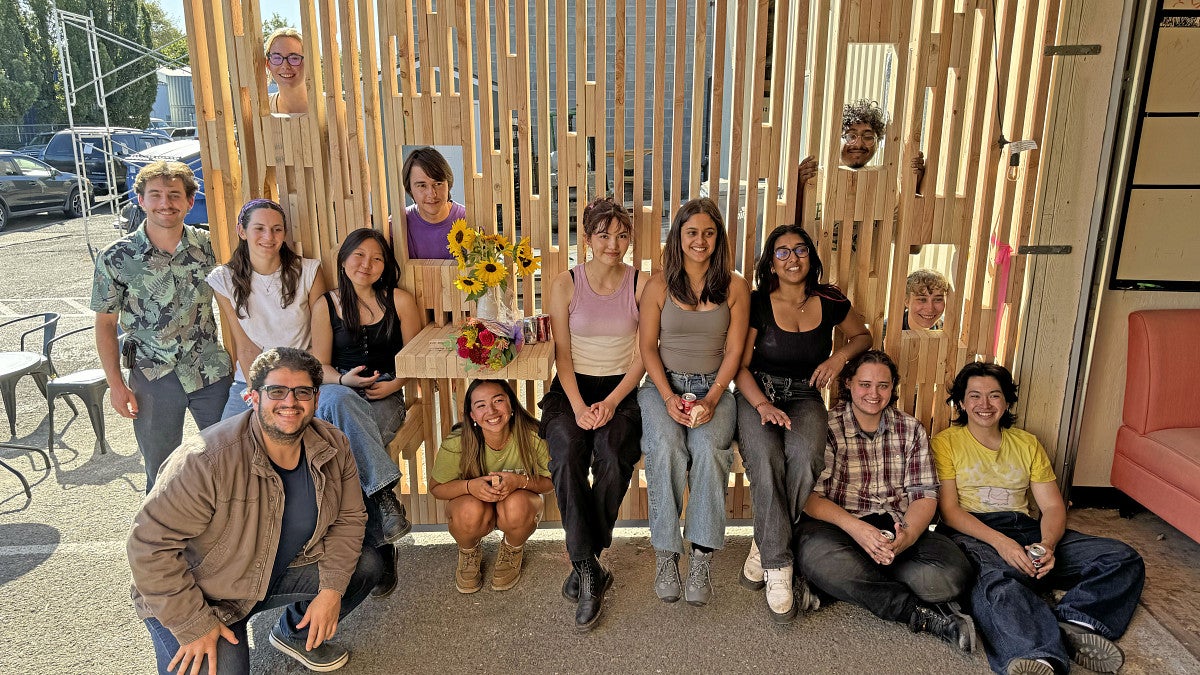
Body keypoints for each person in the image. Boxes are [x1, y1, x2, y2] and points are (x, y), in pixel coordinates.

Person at [128, 347, 381, 674]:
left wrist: (331, 591)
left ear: (316, 400)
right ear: (252, 397)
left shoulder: (333, 444)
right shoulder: (205, 459)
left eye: (302, 392)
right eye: (276, 391)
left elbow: (348, 520)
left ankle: (294, 632)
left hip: (268, 575)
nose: (290, 402)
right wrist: (193, 623)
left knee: (366, 564)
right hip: (202, 594)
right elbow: (148, 547)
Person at [932, 362, 1145, 675]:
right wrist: (1002, 544)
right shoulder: (945, 443)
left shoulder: (1027, 443)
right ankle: (1041, 657)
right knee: (998, 584)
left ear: (1006, 402)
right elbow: (950, 512)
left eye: (994, 396)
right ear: (961, 403)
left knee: (1122, 559)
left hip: (1024, 528)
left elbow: (1054, 507)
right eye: (974, 396)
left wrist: (1048, 544)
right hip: (973, 532)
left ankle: (1074, 622)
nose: (985, 405)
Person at [733, 224, 871, 621]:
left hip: (805, 394)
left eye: (800, 250)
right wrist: (761, 405)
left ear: (811, 257)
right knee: (765, 459)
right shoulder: (759, 302)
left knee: (807, 457)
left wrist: (837, 358)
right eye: (782, 252)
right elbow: (739, 367)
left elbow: (863, 336)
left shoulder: (830, 300)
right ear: (771, 263)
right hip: (757, 390)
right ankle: (778, 563)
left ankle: (765, 539)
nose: (792, 258)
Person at [796, 350, 976, 652]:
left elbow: (923, 494)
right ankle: (918, 614)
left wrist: (908, 537)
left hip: (895, 524)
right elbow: (809, 498)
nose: (874, 393)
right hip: (839, 524)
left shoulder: (911, 429)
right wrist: (858, 530)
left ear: (893, 388)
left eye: (883, 385)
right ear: (849, 384)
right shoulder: (826, 426)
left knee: (954, 574)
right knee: (819, 559)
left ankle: (837, 587)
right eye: (865, 384)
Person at [540, 197, 648, 630]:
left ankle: (585, 561)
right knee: (566, 452)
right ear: (586, 239)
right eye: (603, 235)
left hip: (621, 388)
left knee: (614, 452)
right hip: (572, 389)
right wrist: (582, 407)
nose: (613, 243)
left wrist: (613, 401)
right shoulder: (566, 283)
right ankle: (589, 568)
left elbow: (644, 353)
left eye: (622, 235)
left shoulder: (641, 283)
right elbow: (561, 356)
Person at [92, 160, 233, 492]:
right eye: (155, 195)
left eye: (174, 195)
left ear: (188, 201)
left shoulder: (211, 246)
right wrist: (116, 385)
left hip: (210, 371)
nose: (165, 203)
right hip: (152, 376)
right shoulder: (116, 257)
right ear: (141, 201)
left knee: (229, 462)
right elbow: (105, 325)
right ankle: (161, 541)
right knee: (162, 471)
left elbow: (234, 307)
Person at [638, 197, 750, 606]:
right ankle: (667, 554)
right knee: (664, 448)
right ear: (678, 237)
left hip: (714, 386)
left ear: (718, 237)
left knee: (708, 450)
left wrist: (713, 396)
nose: (699, 241)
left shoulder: (735, 286)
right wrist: (667, 397)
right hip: (662, 386)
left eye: (708, 232)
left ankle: (701, 556)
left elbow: (735, 351)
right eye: (691, 233)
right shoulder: (659, 285)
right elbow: (647, 347)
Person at [310, 228, 423, 597]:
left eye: (376, 258)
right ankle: (384, 507)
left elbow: (415, 358)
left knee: (346, 450)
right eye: (358, 255)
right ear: (343, 260)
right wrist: (344, 379)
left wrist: (395, 384)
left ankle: (378, 546)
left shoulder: (400, 301)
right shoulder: (325, 305)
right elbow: (319, 367)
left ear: (385, 266)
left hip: (385, 398)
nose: (366, 264)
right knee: (337, 401)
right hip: (340, 396)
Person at [430, 379, 553, 594]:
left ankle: (512, 549)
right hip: (476, 508)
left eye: (498, 401)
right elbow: (437, 487)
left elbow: (551, 482)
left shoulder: (531, 436)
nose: (492, 411)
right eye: (481, 405)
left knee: (518, 504)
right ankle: (468, 552)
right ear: (472, 415)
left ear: (511, 405)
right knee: (468, 509)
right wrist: (469, 487)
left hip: (517, 506)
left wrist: (519, 482)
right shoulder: (459, 441)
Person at [208, 198, 326, 420]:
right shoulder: (224, 279)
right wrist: (260, 395)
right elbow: (244, 348)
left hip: (301, 376)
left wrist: (290, 387)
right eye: (259, 228)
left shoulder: (309, 272)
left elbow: (321, 342)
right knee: (224, 440)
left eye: (276, 229)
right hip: (253, 379)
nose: (268, 237)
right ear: (242, 231)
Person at [793, 99, 927, 222]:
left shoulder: (887, 187)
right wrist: (797, 188)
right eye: (850, 136)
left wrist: (913, 188)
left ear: (877, 142)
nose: (858, 144)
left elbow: (912, 247)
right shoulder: (812, 179)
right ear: (836, 140)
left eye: (868, 137)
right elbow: (789, 230)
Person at [400, 146, 466, 258]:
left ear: (448, 184)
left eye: (438, 184)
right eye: (422, 185)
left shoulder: (470, 220)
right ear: (409, 189)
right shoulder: (395, 226)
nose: (432, 194)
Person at [265, 28, 307, 114]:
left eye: (294, 58)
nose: (285, 66)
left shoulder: (334, 108)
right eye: (277, 58)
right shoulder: (261, 109)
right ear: (268, 64)